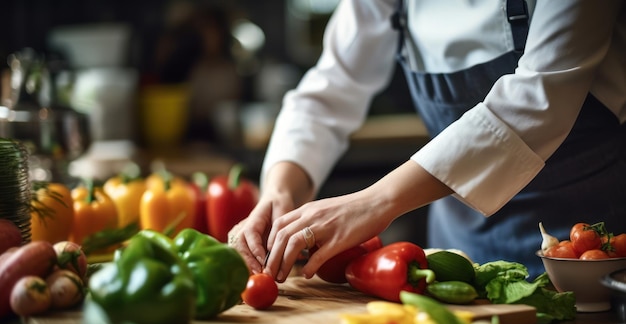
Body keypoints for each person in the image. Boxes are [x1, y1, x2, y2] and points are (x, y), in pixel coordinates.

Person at [228, 0, 626, 283]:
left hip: (590, 256)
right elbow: (329, 92)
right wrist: (279, 192)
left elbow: (539, 100)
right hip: (459, 260)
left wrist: (376, 201)